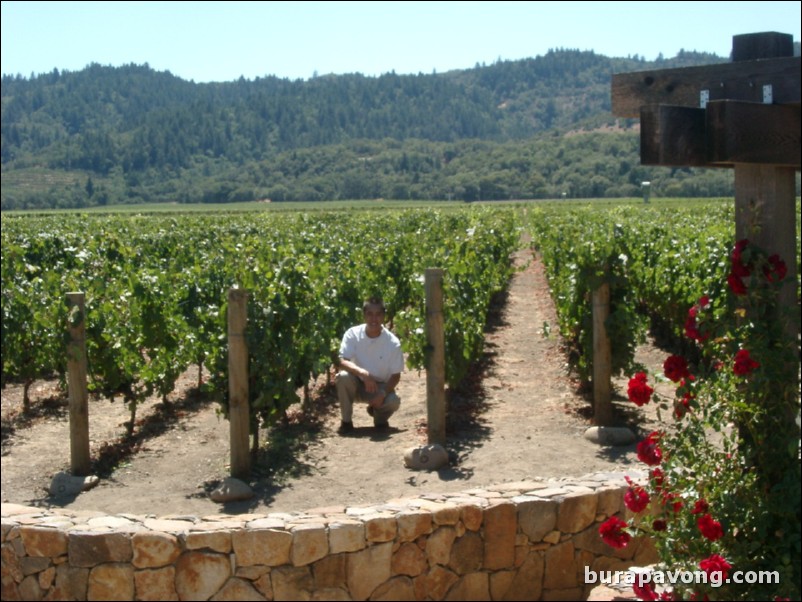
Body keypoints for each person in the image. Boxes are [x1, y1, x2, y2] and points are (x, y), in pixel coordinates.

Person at [336, 297, 403, 434]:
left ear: (384, 316)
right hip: (357, 384)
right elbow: (341, 360)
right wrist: (362, 373)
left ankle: (379, 419)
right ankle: (346, 423)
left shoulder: (392, 343)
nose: (374, 319)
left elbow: (396, 376)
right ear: (364, 315)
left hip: (380, 387)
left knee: (393, 401)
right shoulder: (353, 334)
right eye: (370, 314)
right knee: (342, 377)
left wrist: (382, 394)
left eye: (378, 314)